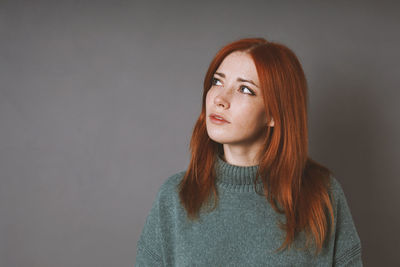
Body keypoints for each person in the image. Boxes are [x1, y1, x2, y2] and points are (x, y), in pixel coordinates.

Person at [135, 37, 363, 266]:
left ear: (274, 113)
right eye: (217, 81)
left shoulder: (322, 194)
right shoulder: (175, 198)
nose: (220, 99)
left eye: (245, 89)